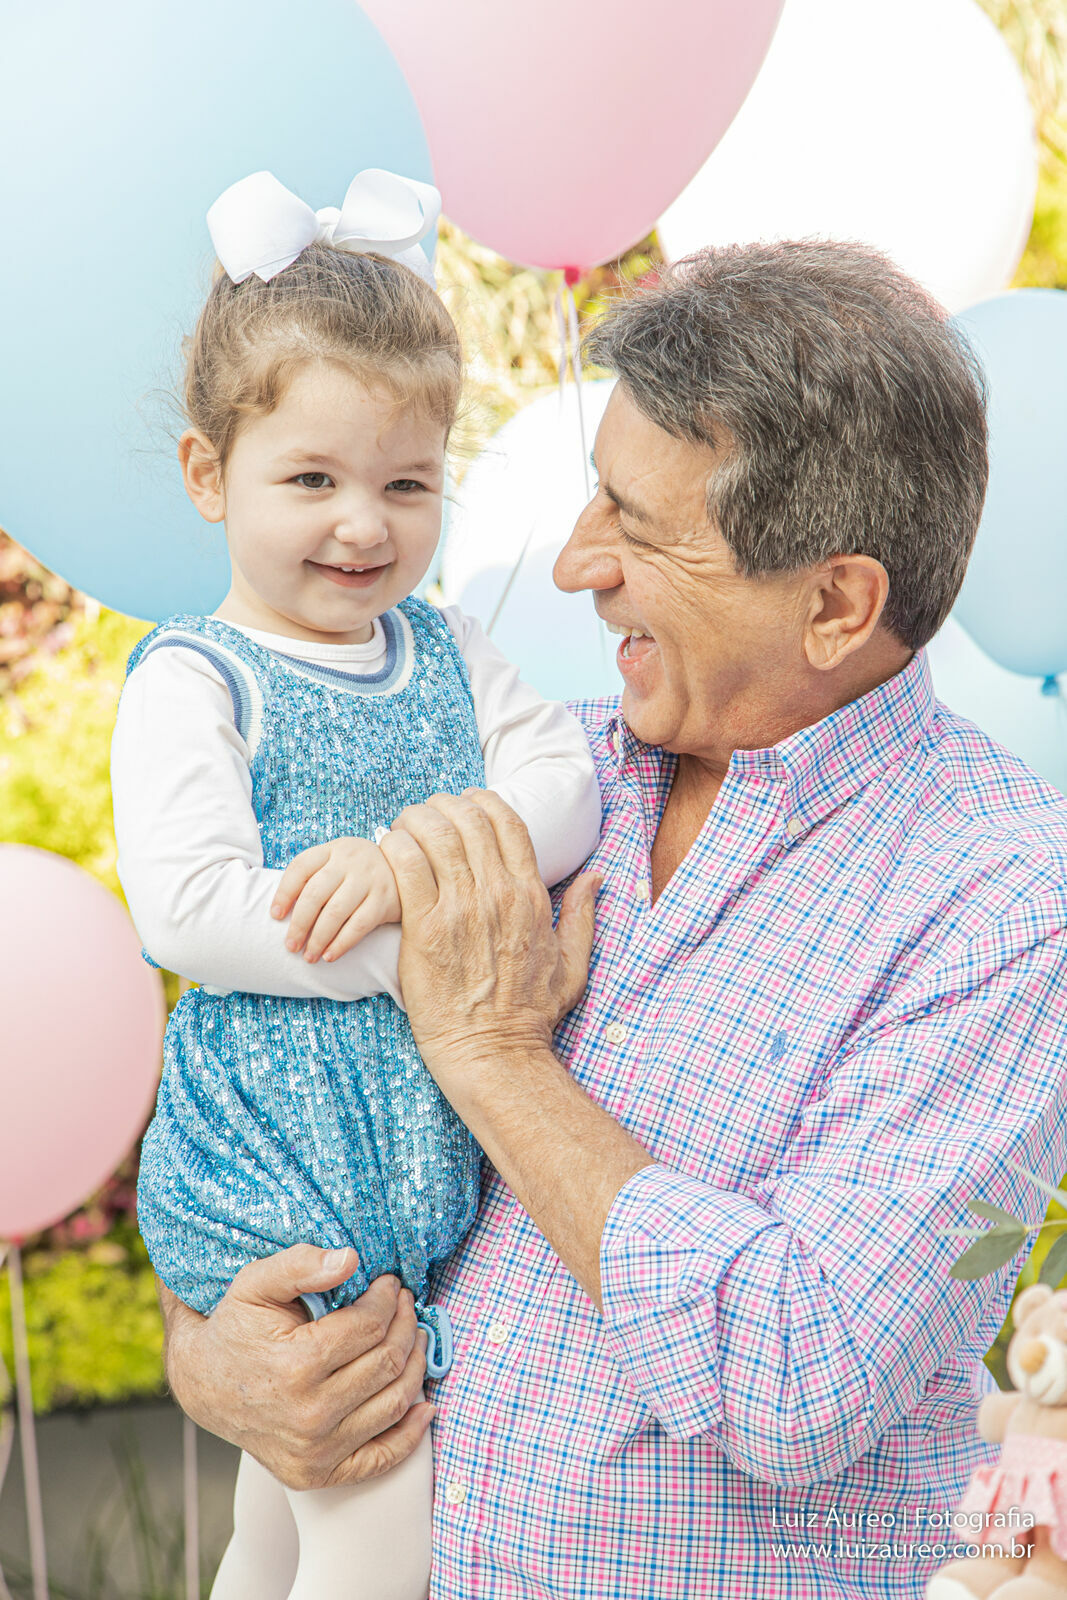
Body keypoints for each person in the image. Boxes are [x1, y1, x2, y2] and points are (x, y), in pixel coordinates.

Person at [156, 240, 1067, 1599]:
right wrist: (214, 1355)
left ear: (836, 603)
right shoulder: (529, 782)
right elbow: (269, 1087)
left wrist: (495, 1058)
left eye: (637, 527)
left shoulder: (1003, 903)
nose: (578, 563)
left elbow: (800, 1375)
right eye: (598, 498)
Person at [110, 169, 600, 1600]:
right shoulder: (201, 679)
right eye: (310, 481)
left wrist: (402, 866)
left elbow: (559, 790)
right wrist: (426, 953)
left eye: (404, 484)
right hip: (282, 1145)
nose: (362, 526)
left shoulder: (448, 651)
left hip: (403, 1148)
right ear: (212, 475)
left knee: (276, 1526)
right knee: (375, 1494)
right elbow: (189, 908)